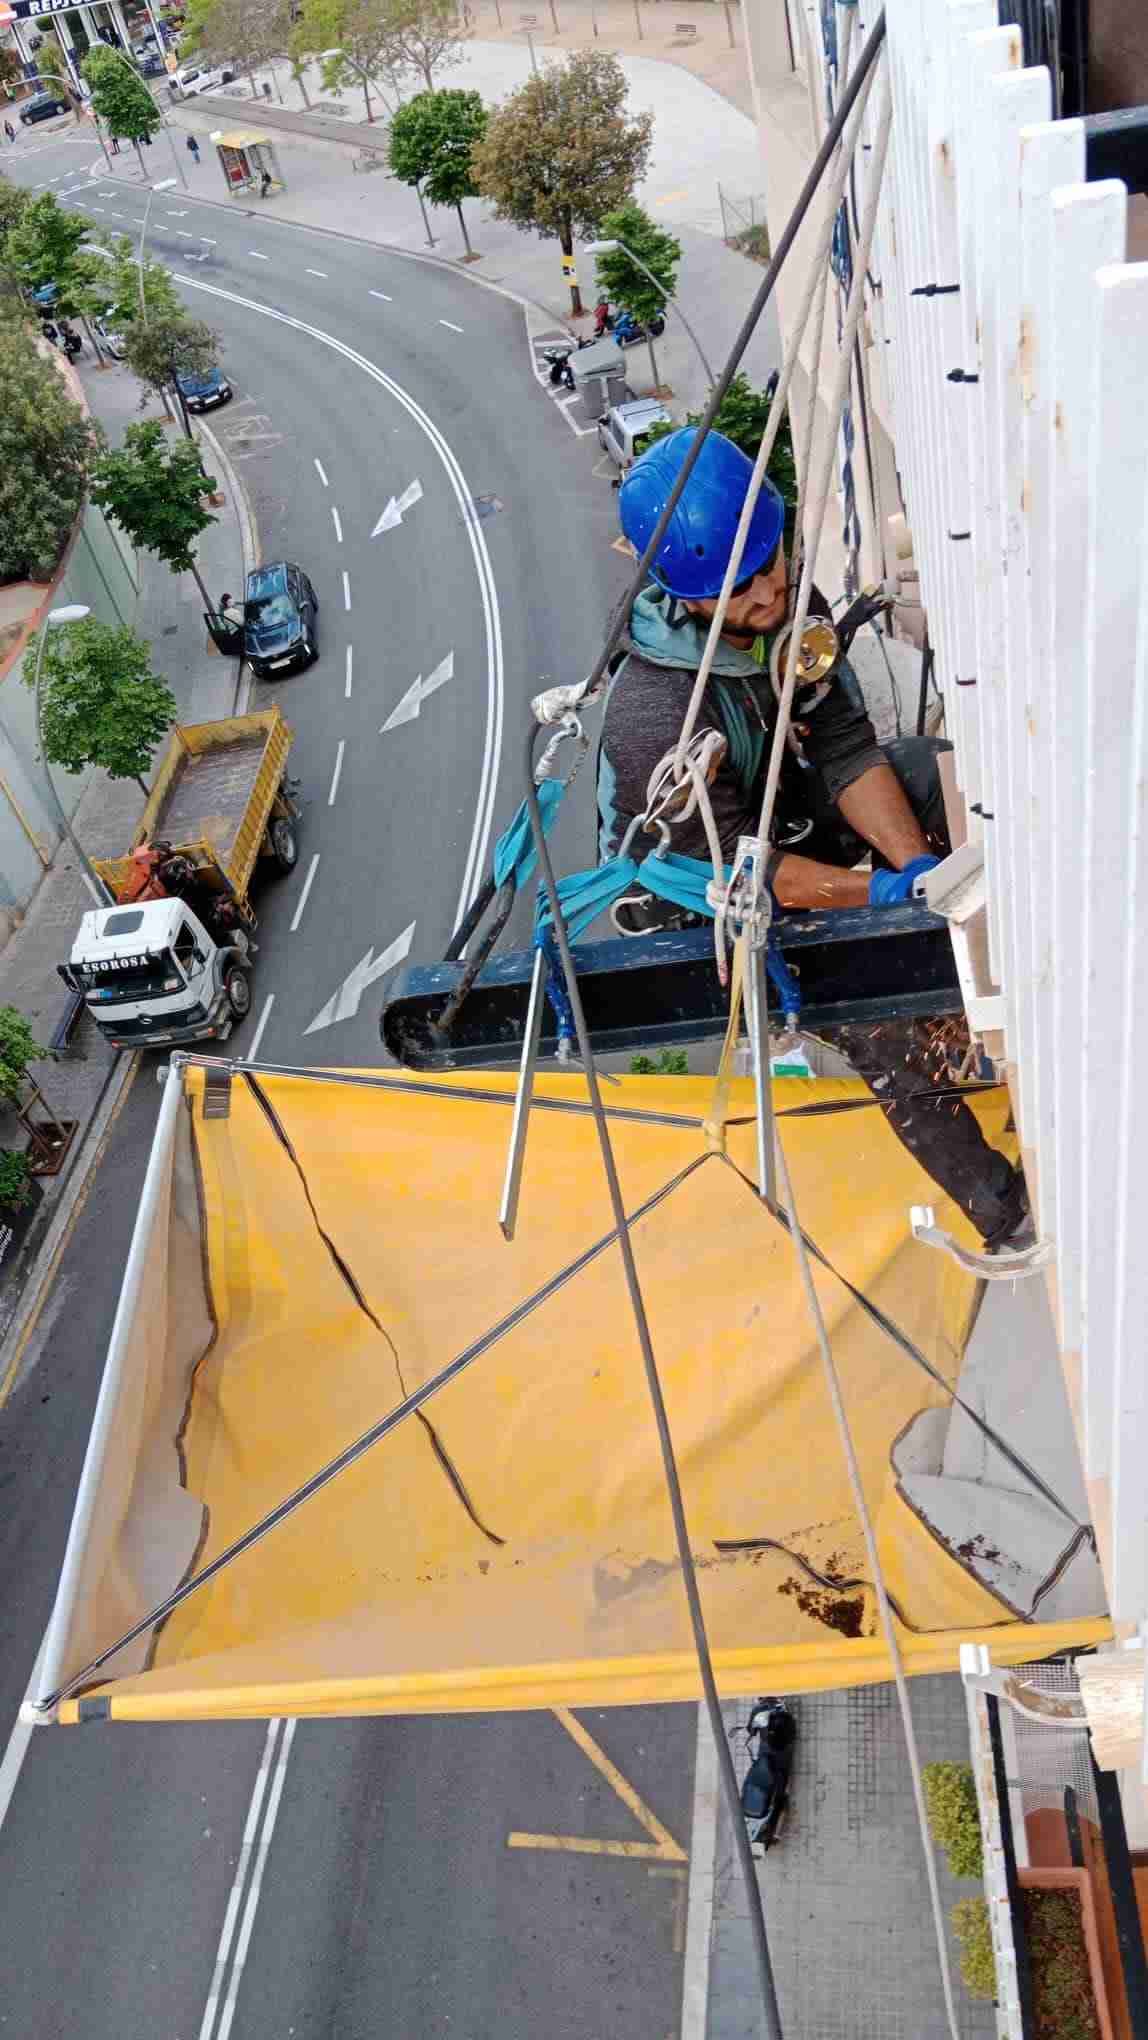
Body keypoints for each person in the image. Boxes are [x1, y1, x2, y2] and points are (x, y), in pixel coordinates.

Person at [601, 426, 1029, 1250]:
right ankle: (1003, 1213)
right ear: (687, 597)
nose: (770, 591)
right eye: (742, 588)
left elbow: (843, 750)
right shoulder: (658, 715)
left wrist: (917, 868)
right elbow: (743, 876)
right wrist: (868, 894)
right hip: (707, 893)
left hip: (772, 804)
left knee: (916, 768)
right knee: (869, 1012)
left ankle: (979, 986)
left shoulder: (792, 610)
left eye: (772, 562)